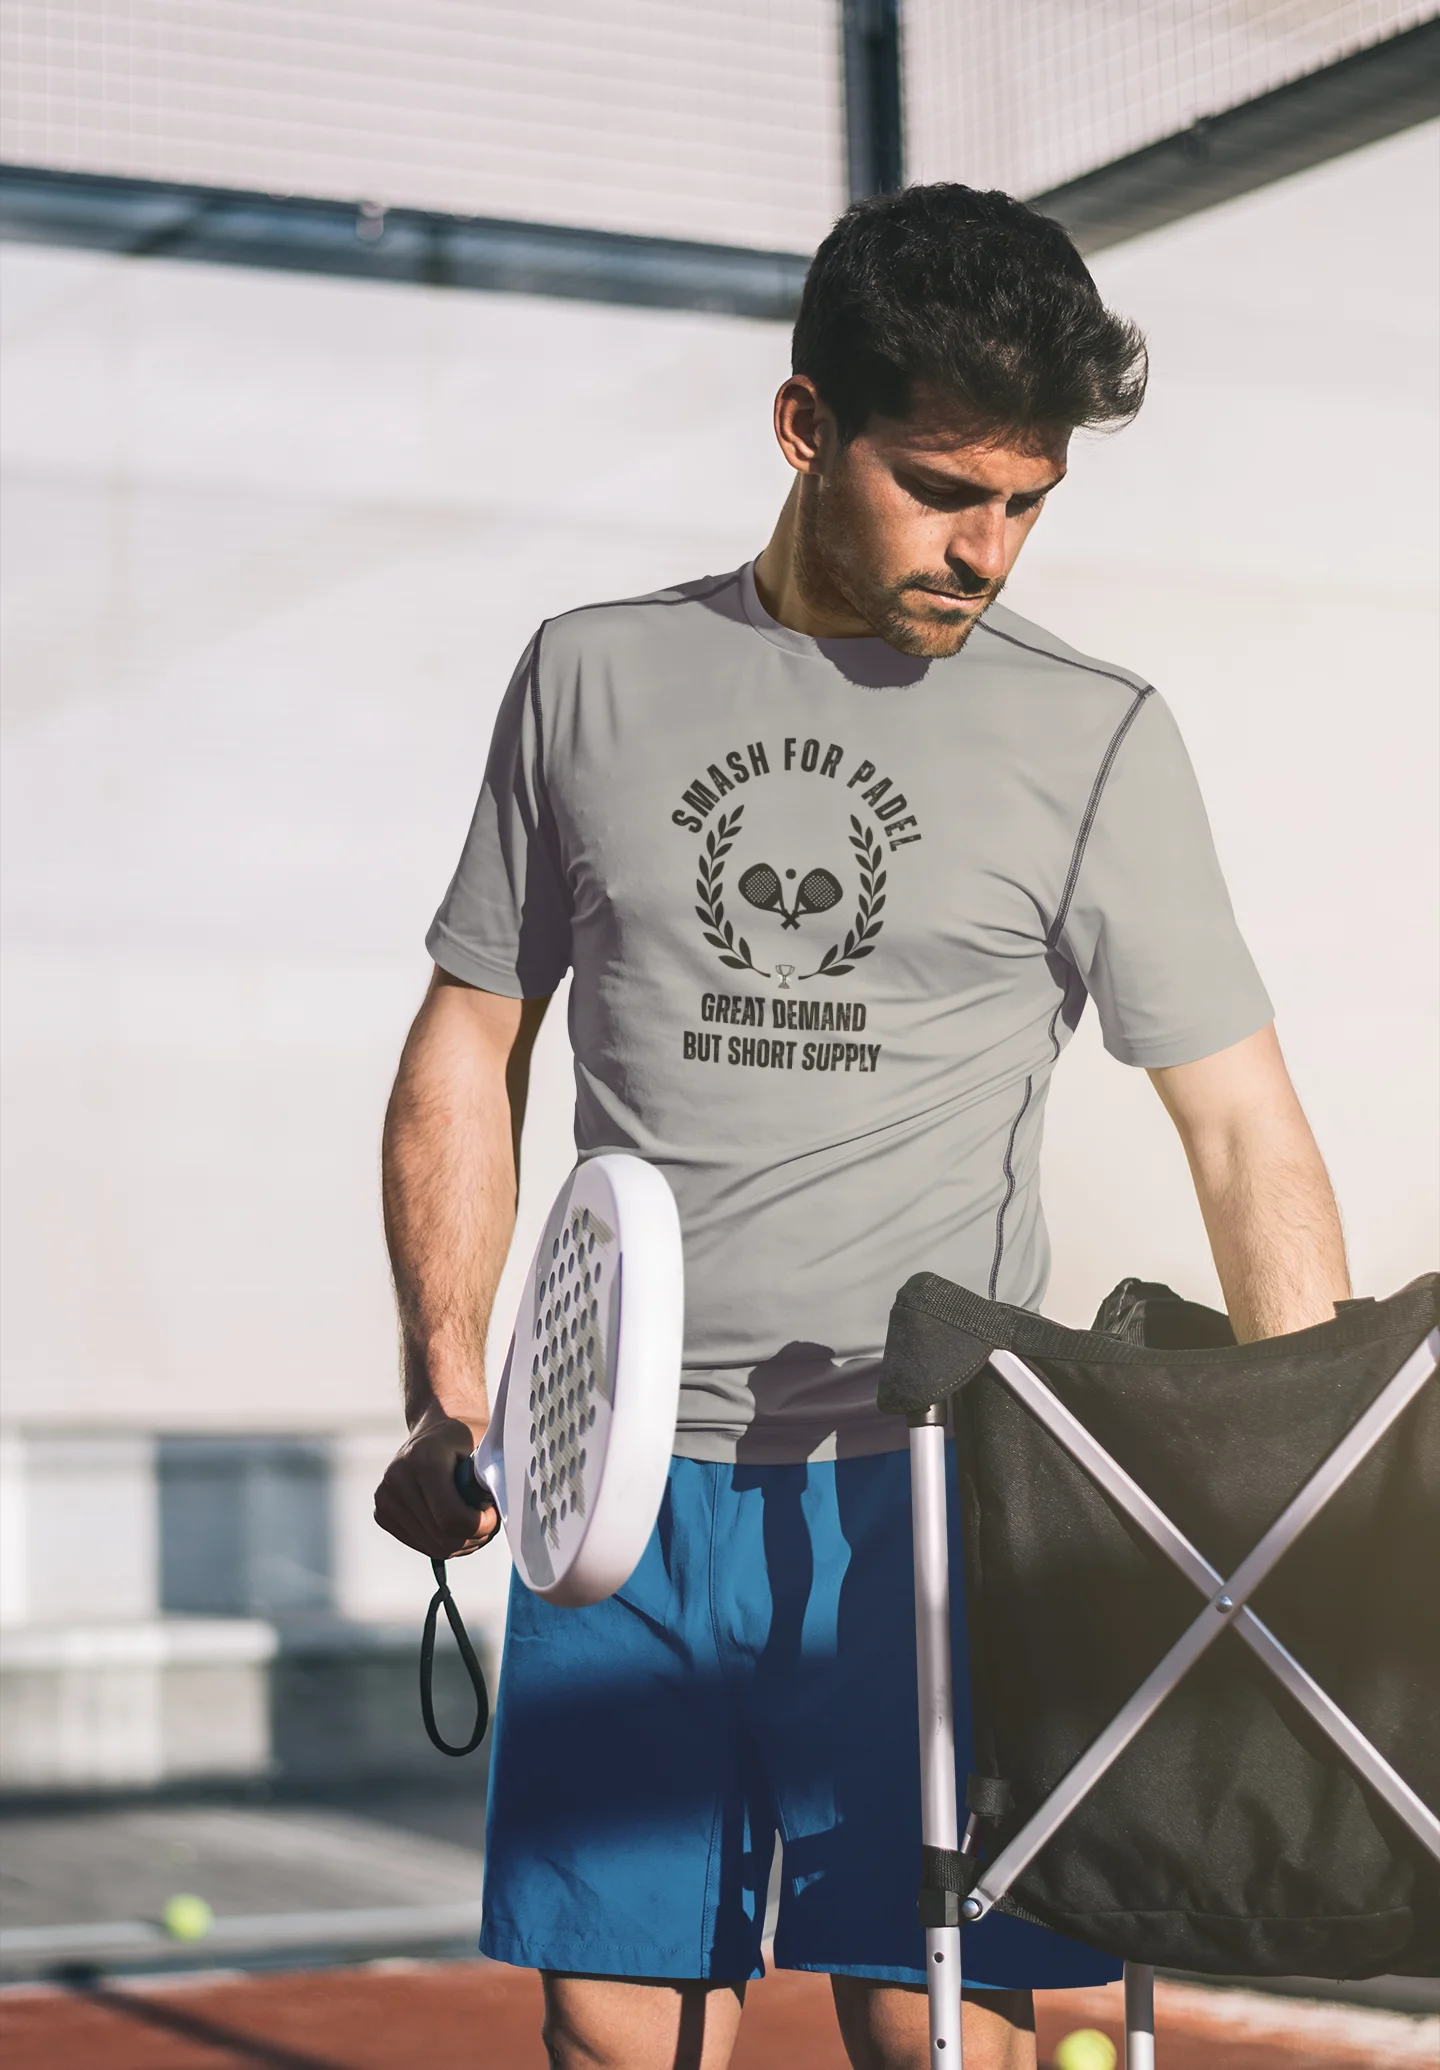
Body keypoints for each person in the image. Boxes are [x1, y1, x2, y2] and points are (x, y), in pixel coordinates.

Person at [374, 185, 1350, 2070]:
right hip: (616, 1487)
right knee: (621, 2030)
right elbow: (467, 1037)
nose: (987, 547)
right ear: (805, 423)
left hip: (939, 1492)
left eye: (1028, 499)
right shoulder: (587, 675)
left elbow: (1243, 1128)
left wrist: (1284, 1489)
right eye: (941, 485)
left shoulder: (1096, 735)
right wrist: (453, 1388)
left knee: (939, 2036)